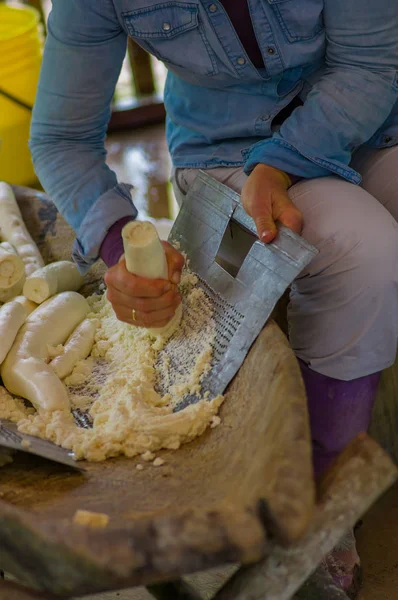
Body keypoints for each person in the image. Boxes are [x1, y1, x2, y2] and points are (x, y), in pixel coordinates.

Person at [29, 1, 398, 596]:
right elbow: (60, 138)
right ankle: (324, 497)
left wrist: (281, 165)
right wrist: (121, 247)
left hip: (373, 117)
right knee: (363, 250)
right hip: (227, 150)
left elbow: (370, 63)